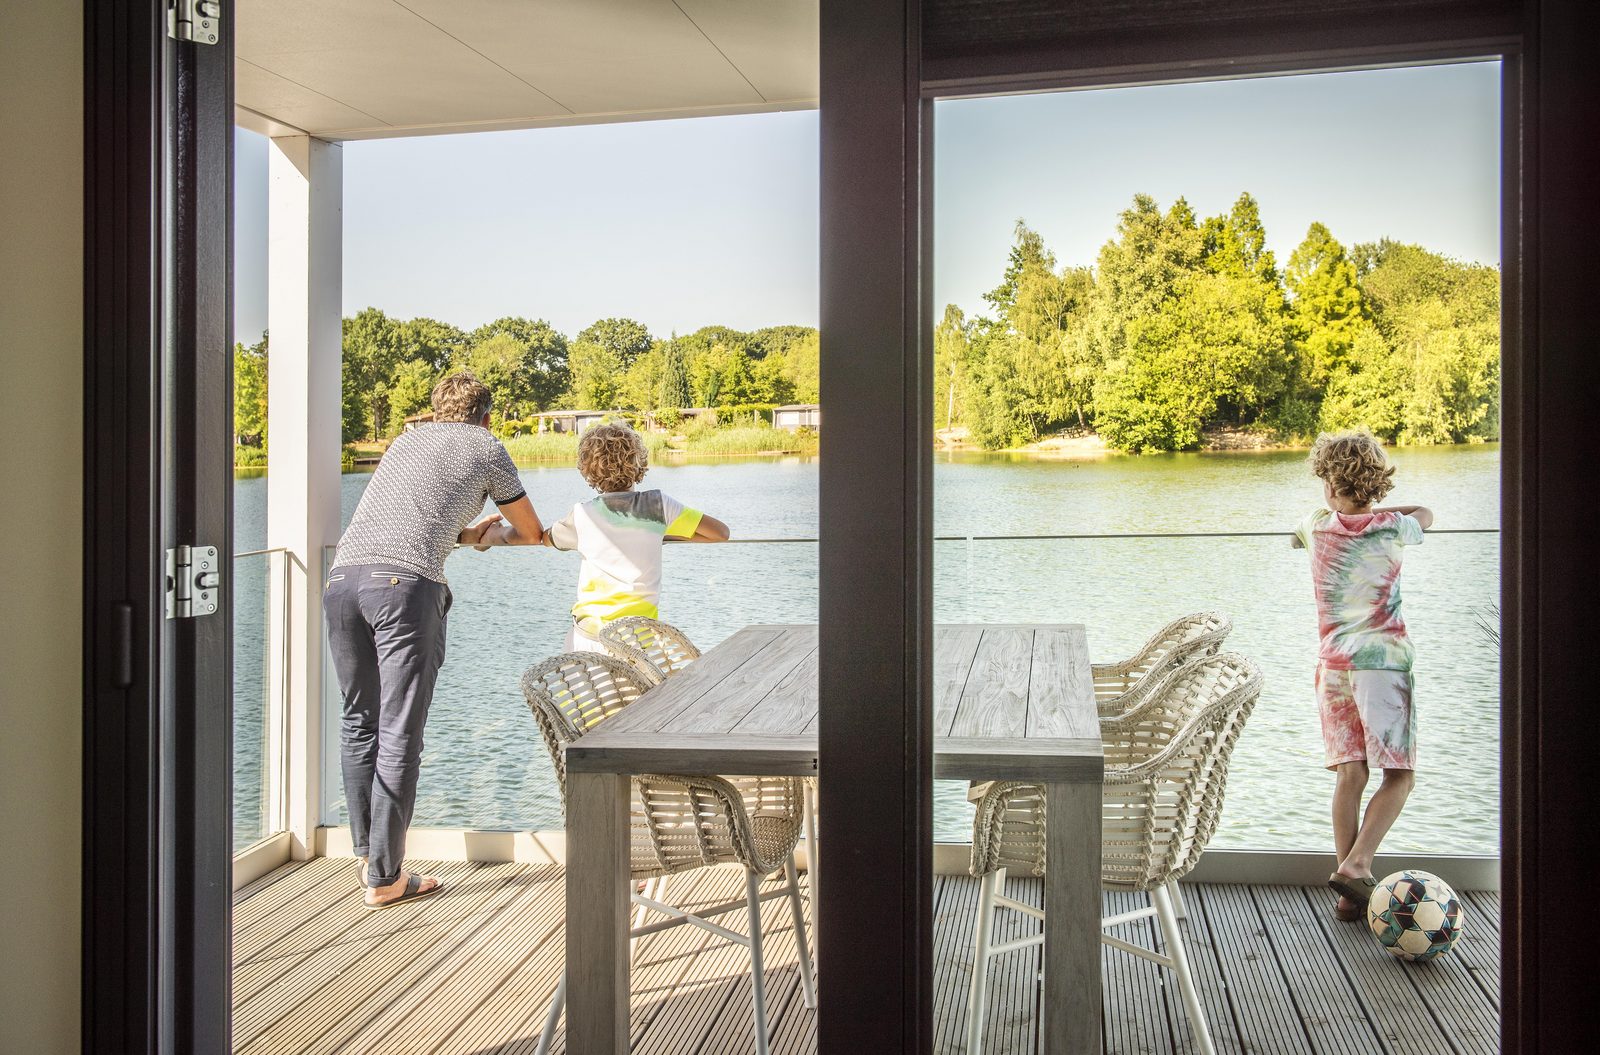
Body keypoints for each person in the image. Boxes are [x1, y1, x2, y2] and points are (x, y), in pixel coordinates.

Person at [324, 372, 544, 908]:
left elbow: (413, 517)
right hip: (403, 589)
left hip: (342, 580)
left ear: (434, 410)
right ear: (487, 416)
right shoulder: (486, 445)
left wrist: (464, 534)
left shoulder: (405, 442)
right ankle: (384, 878)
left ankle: (368, 857)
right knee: (400, 732)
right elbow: (532, 530)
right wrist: (491, 537)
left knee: (360, 722)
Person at [1292, 431, 1433, 922]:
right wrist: (1382, 505)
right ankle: (1358, 864)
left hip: (1332, 665)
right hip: (1383, 663)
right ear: (1377, 485)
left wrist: (1351, 503)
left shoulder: (1315, 524)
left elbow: (1309, 526)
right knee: (1400, 775)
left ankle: (1346, 892)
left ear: (1329, 486)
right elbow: (1427, 515)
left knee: (1350, 773)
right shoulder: (1394, 527)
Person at [539, 422, 728, 652]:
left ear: (588, 469)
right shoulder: (659, 505)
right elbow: (720, 533)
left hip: (588, 637)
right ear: (638, 463)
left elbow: (547, 538)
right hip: (638, 638)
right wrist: (660, 531)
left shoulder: (581, 515)